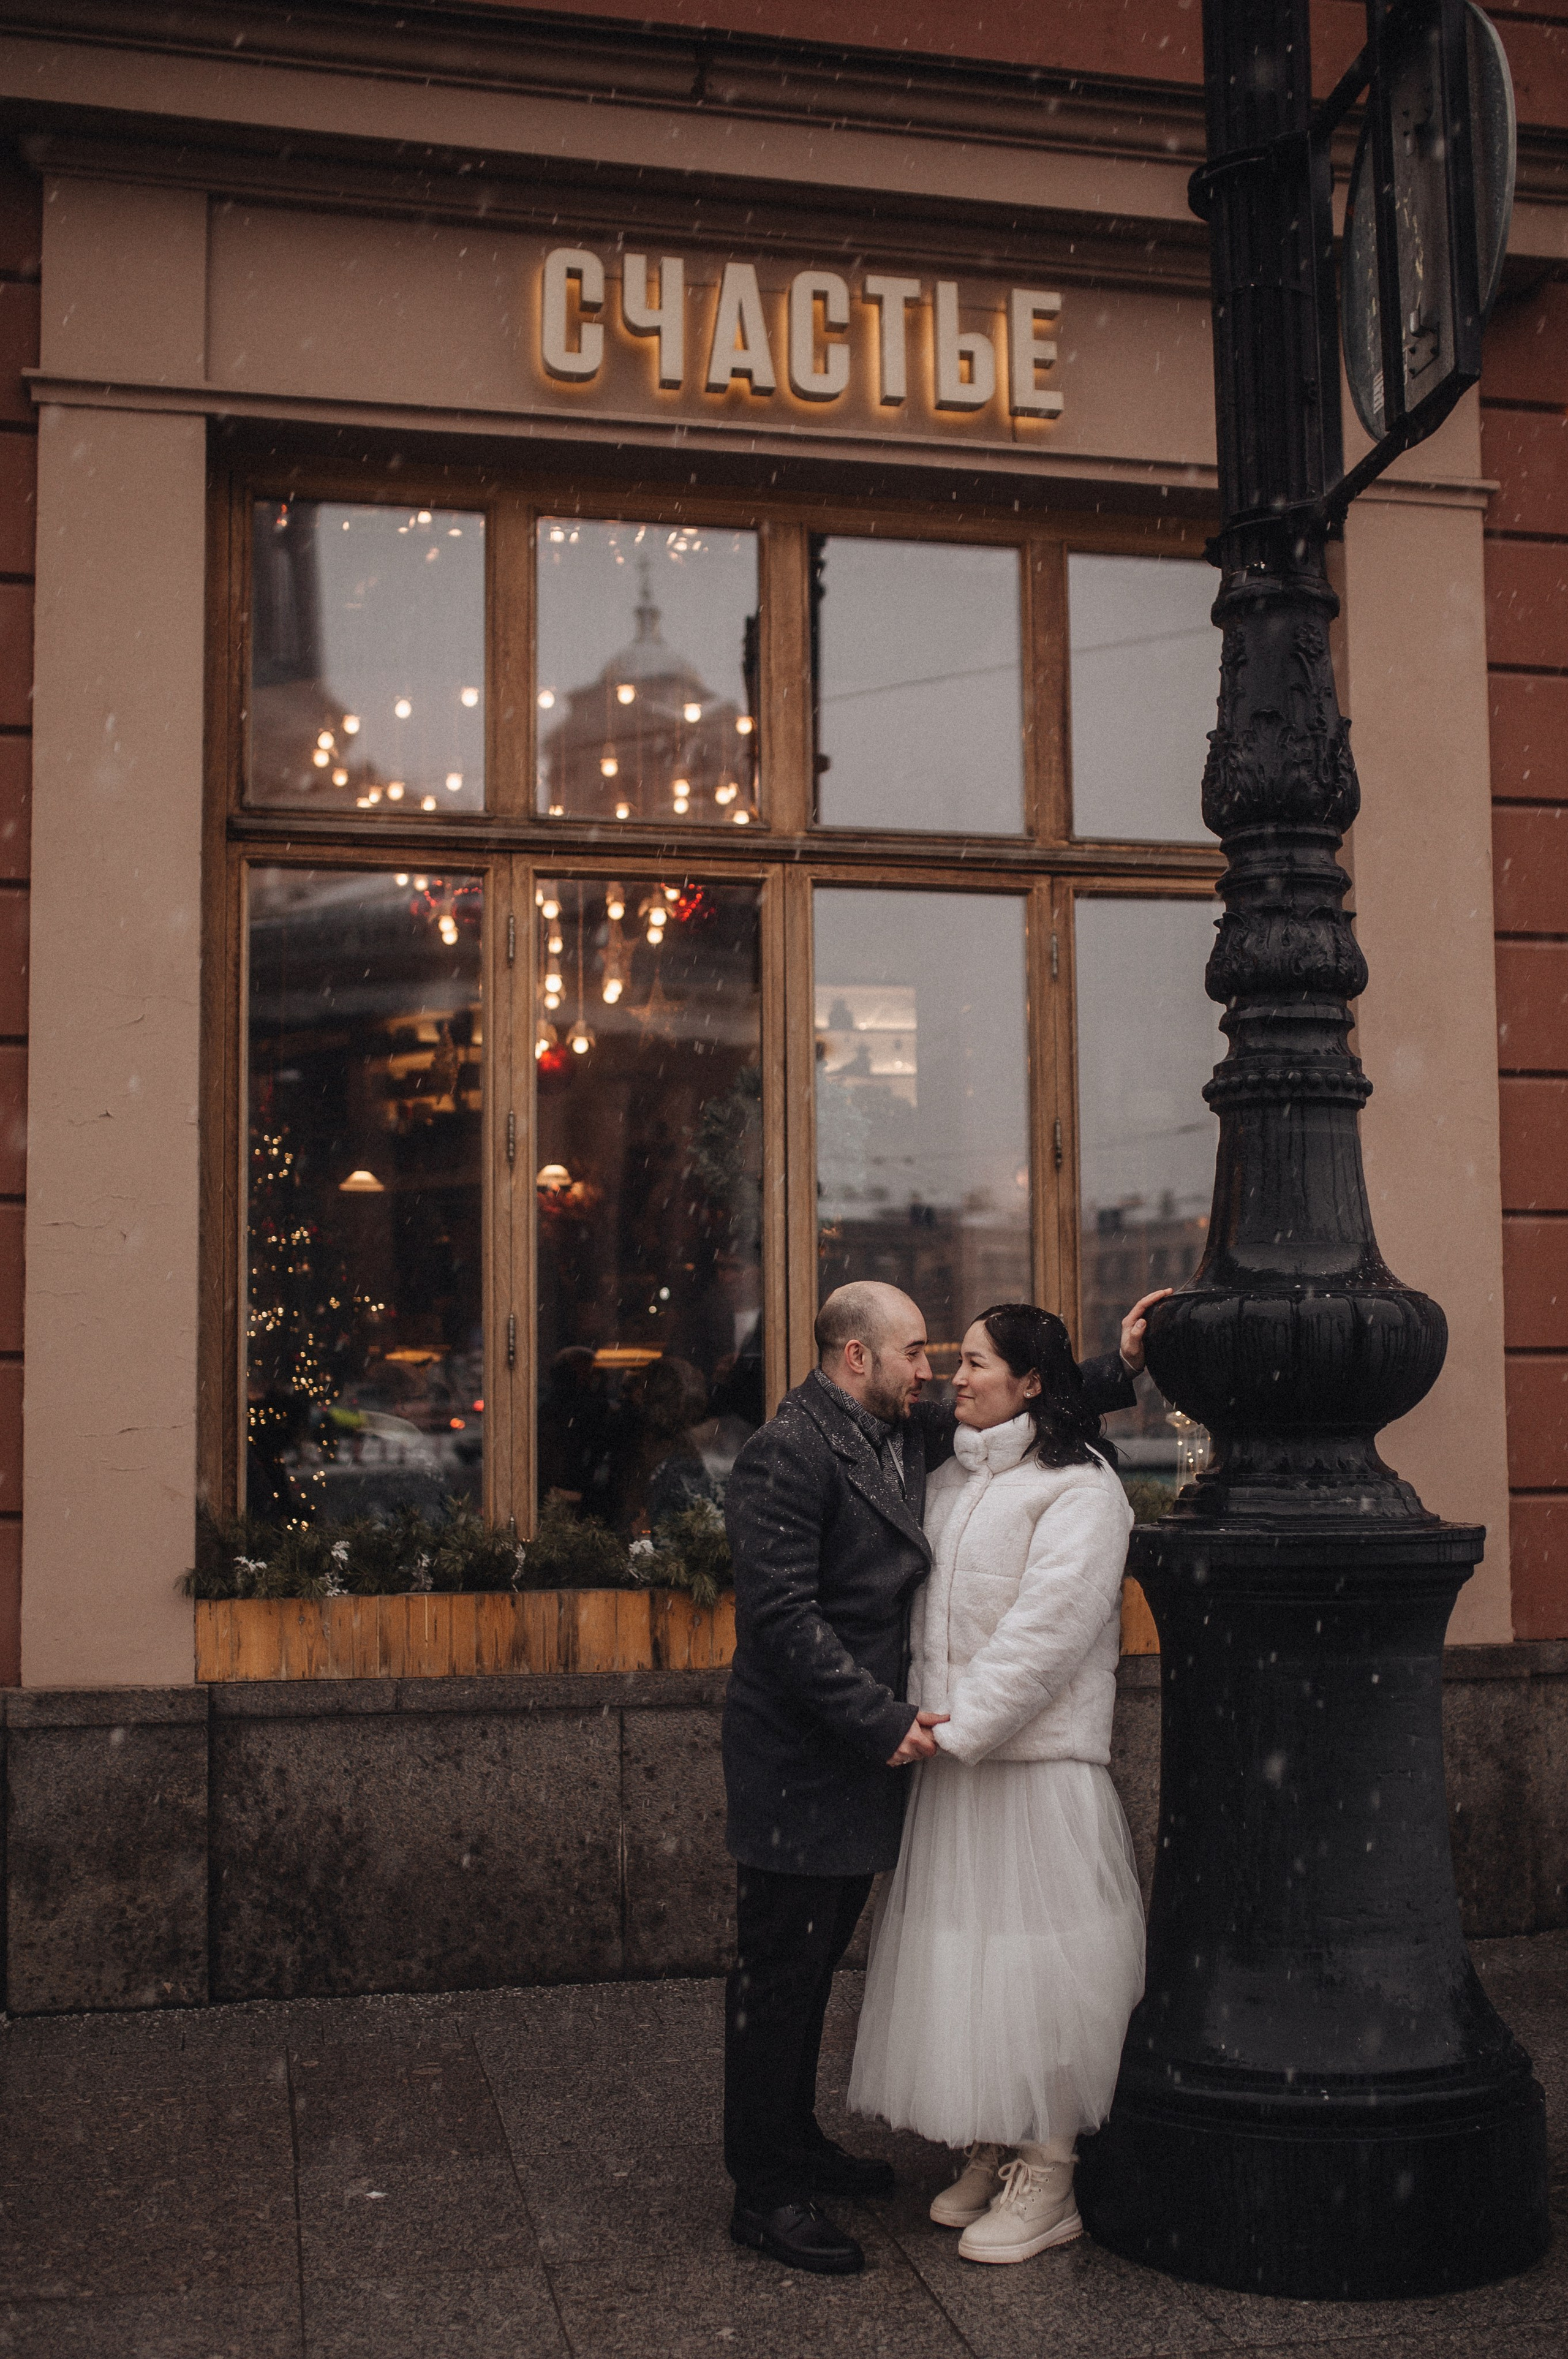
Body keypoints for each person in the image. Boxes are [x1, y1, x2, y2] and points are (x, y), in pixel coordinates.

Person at [720, 1277, 1166, 2276]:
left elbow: (1028, 1398)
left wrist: (1125, 1366)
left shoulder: (899, 1433)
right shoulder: (787, 1453)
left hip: (876, 1754)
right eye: (916, 1353)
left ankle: (797, 2147)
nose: (931, 1376)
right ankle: (766, 2190)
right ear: (856, 1358)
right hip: (803, 1761)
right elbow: (784, 1622)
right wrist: (893, 1721)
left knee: (812, 1967)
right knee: (777, 1979)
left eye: (944, 1356)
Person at [847, 1302, 1144, 2266]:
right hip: (958, 1764)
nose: (954, 1378)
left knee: (1042, 1968)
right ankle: (997, 2132)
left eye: (974, 1364)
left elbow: (1049, 1635)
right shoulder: (950, 1477)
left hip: (1032, 1770)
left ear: (1030, 1383)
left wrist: (958, 1727)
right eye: (952, 1361)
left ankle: (1051, 2168)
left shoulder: (1082, 1487)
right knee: (972, 1961)